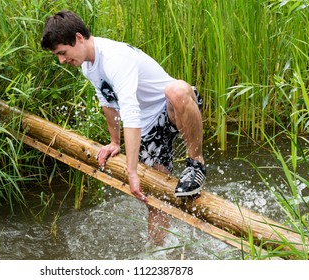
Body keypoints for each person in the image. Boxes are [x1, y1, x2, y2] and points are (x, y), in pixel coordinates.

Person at [41, 10, 206, 246]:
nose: (61, 60)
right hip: (149, 128)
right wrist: (115, 142)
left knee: (177, 90)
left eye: (62, 53)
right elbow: (108, 102)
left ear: (78, 38)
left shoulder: (114, 58)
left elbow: (130, 113)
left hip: (171, 107)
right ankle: (159, 254)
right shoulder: (88, 65)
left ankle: (196, 164)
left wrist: (131, 172)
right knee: (156, 196)